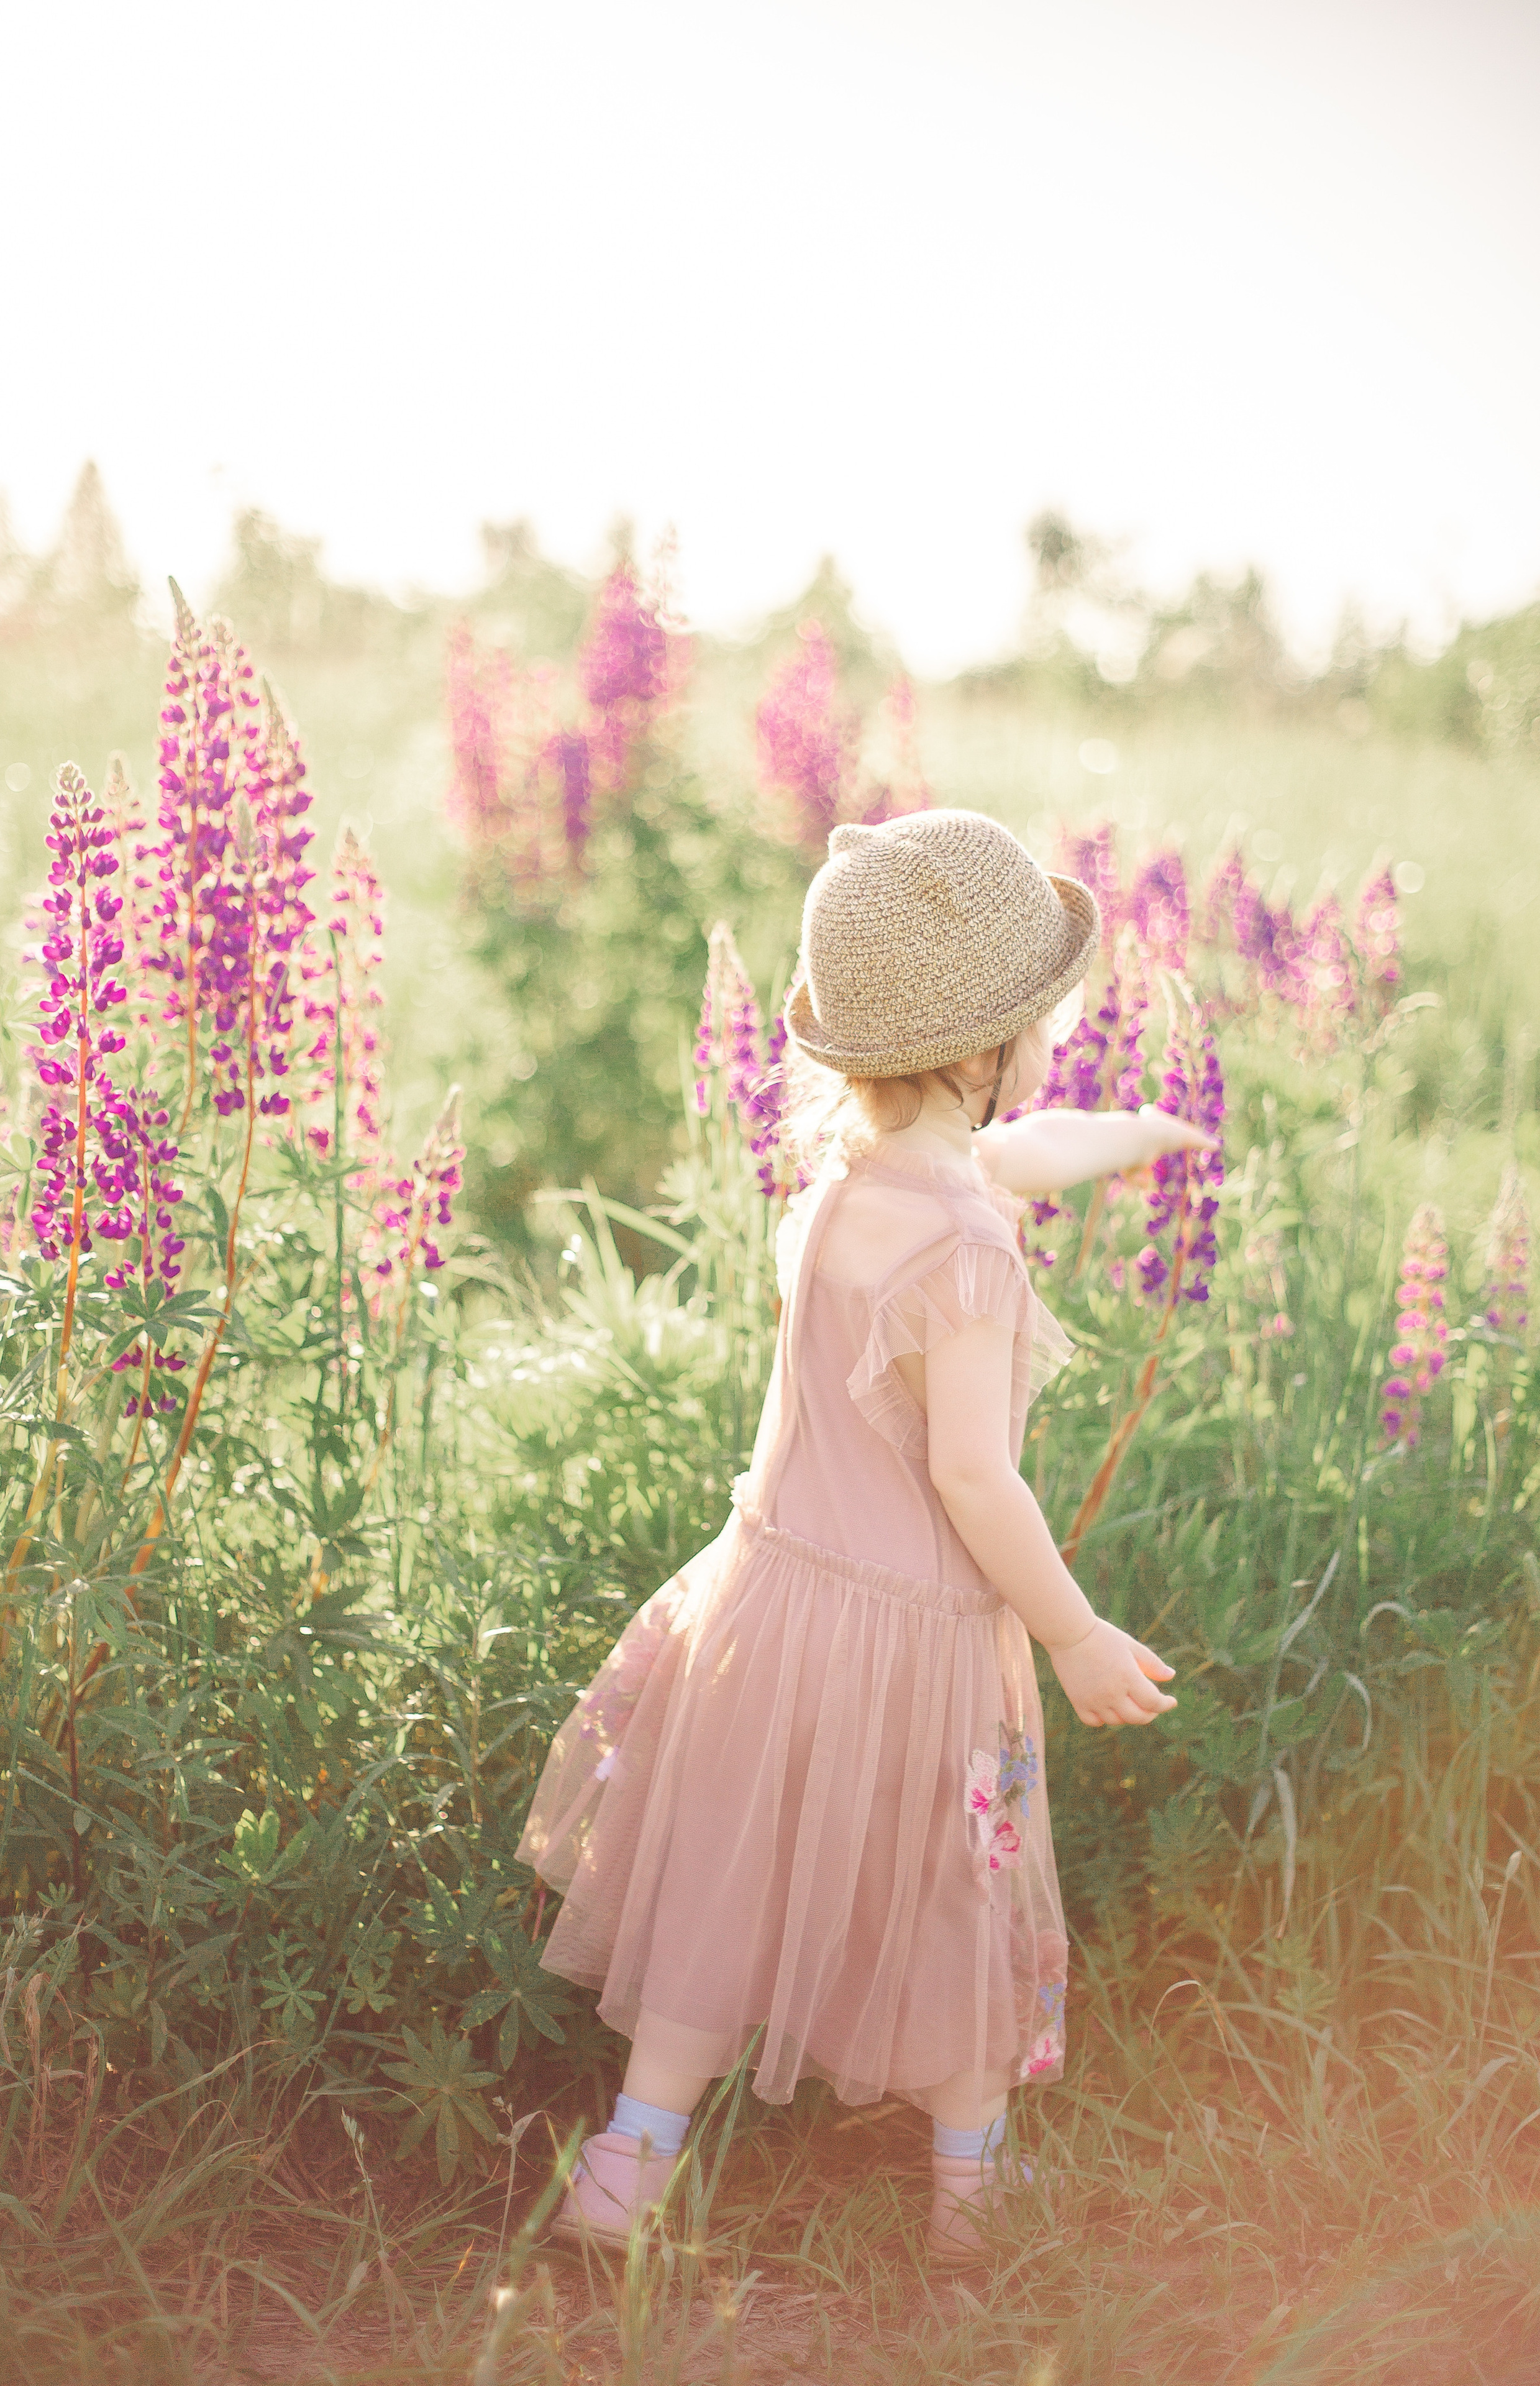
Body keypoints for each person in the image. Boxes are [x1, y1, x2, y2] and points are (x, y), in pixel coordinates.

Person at [517, 809, 1213, 2259]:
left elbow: (1011, 1157)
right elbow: (975, 1478)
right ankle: (970, 2199)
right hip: (917, 1641)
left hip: (767, 1605)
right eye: (1037, 1032)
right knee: (958, 1908)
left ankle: (625, 2166)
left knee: (727, 1877)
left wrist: (1134, 1136)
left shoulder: (849, 1189)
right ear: (975, 1054)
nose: (1048, 1054)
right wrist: (1070, 1633)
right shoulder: (960, 1251)